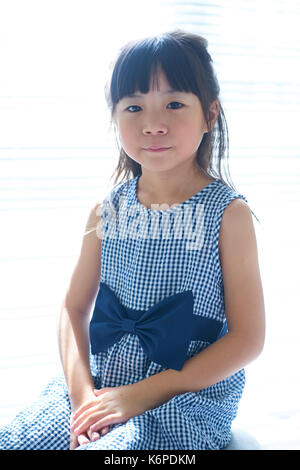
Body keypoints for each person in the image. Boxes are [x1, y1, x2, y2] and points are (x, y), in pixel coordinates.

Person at [0, 29, 265, 450]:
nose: (153, 124)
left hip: (183, 400)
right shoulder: (107, 211)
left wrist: (137, 397)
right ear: (115, 116)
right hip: (105, 384)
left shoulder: (227, 214)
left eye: (174, 104)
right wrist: (84, 396)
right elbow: (72, 308)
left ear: (210, 114)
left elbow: (248, 339)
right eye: (134, 107)